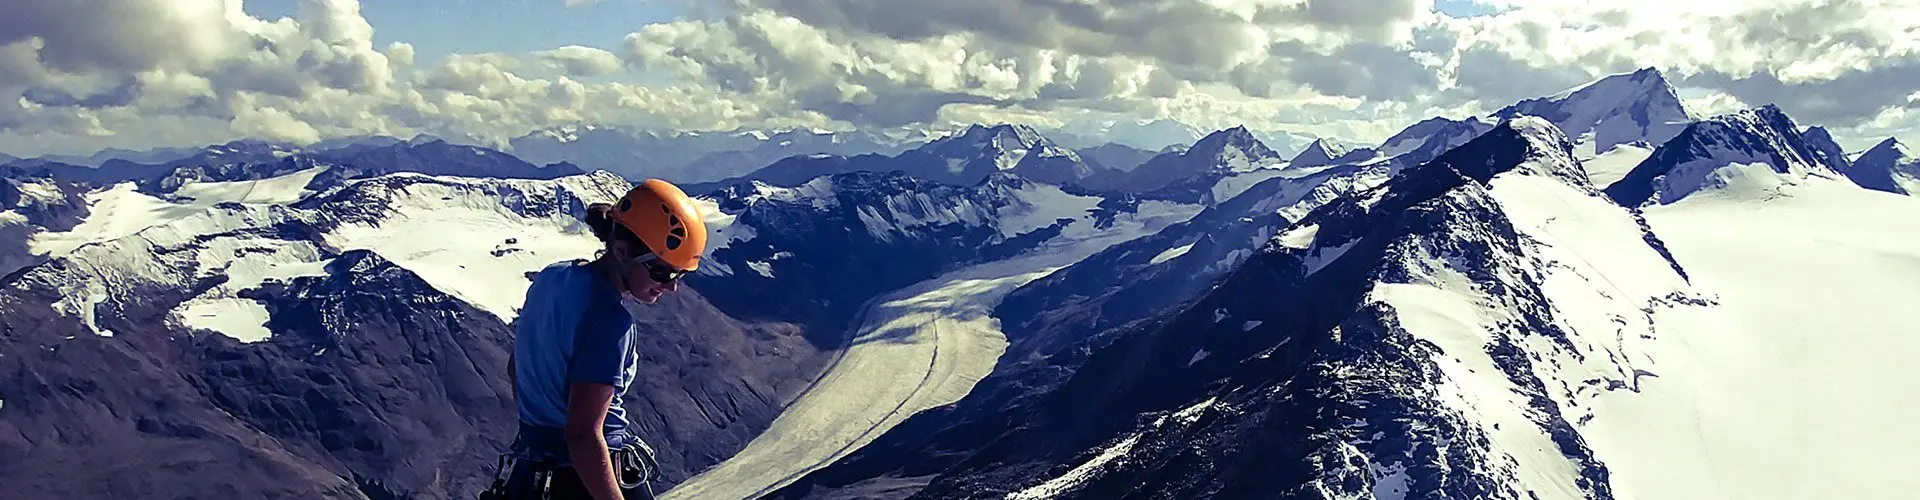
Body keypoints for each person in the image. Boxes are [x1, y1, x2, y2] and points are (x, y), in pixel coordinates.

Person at [481, 178, 708, 500]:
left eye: (680, 274)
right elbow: (583, 435)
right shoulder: (611, 322)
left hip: (529, 472)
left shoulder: (551, 278)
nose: (671, 286)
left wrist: (540, 428)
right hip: (586, 479)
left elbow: (518, 365)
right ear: (621, 251)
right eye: (662, 272)